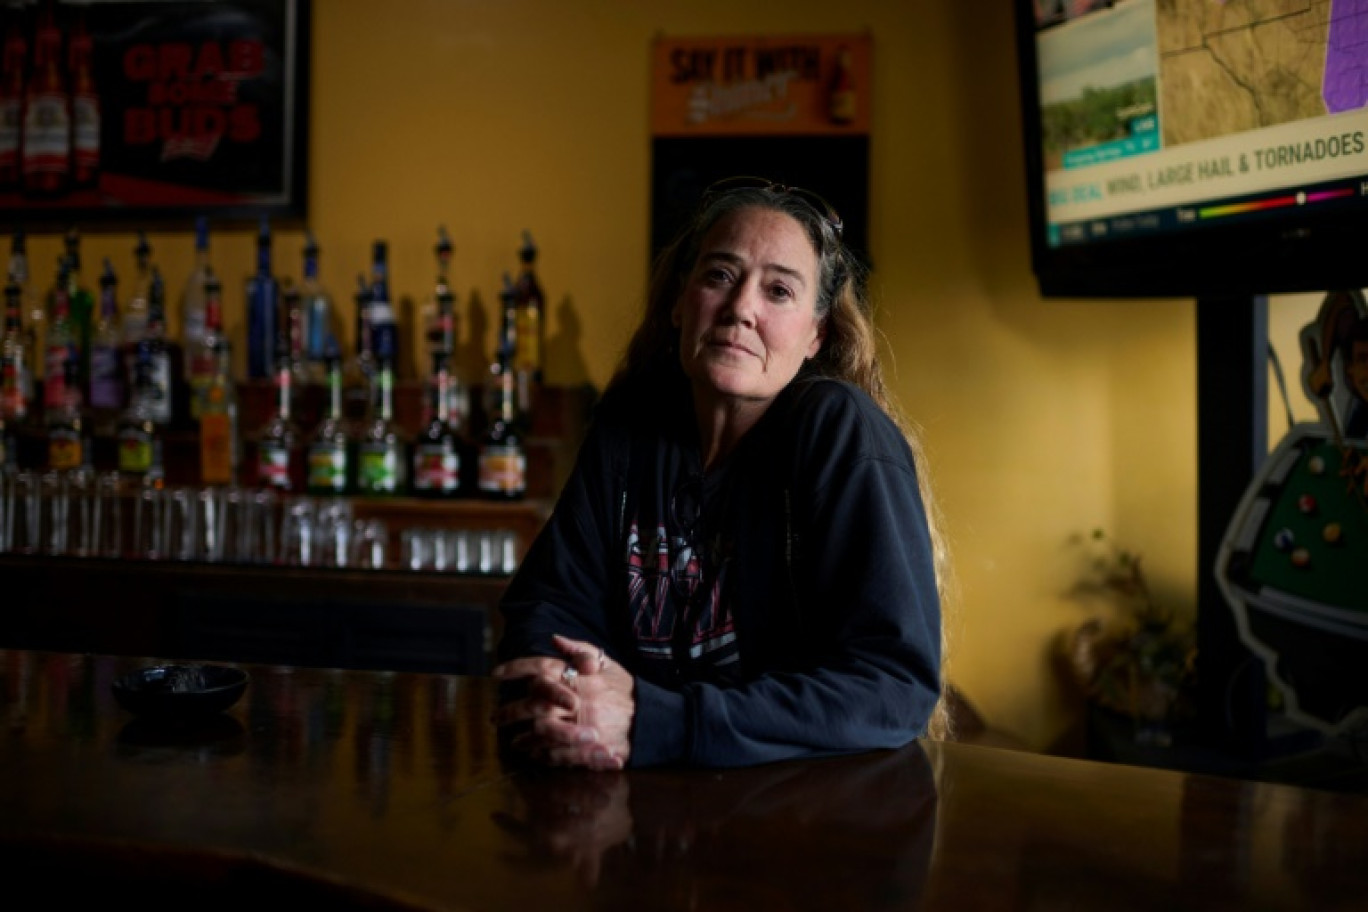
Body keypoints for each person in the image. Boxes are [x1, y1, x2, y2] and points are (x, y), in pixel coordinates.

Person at [492, 176, 952, 769]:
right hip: (639, 799)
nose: (741, 309)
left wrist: (650, 720)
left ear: (817, 335)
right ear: (682, 301)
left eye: (779, 291)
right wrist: (565, 696)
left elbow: (892, 688)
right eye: (719, 276)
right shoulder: (628, 428)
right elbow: (547, 607)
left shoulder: (840, 433)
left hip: (804, 817)